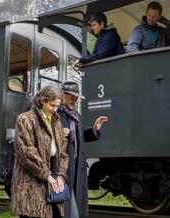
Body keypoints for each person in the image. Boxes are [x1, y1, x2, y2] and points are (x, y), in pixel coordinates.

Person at [11, 85, 69, 218]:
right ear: (43, 101)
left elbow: (63, 154)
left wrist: (60, 176)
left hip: (53, 182)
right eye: (52, 105)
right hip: (30, 183)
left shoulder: (56, 123)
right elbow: (26, 152)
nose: (55, 110)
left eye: (57, 107)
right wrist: (47, 176)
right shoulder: (25, 119)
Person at [58, 81, 108, 218]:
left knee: (75, 207)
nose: (75, 100)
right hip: (63, 167)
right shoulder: (55, 114)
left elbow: (80, 136)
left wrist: (94, 129)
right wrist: (58, 134)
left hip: (77, 166)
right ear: (62, 95)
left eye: (76, 97)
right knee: (65, 207)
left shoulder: (76, 116)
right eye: (72, 96)